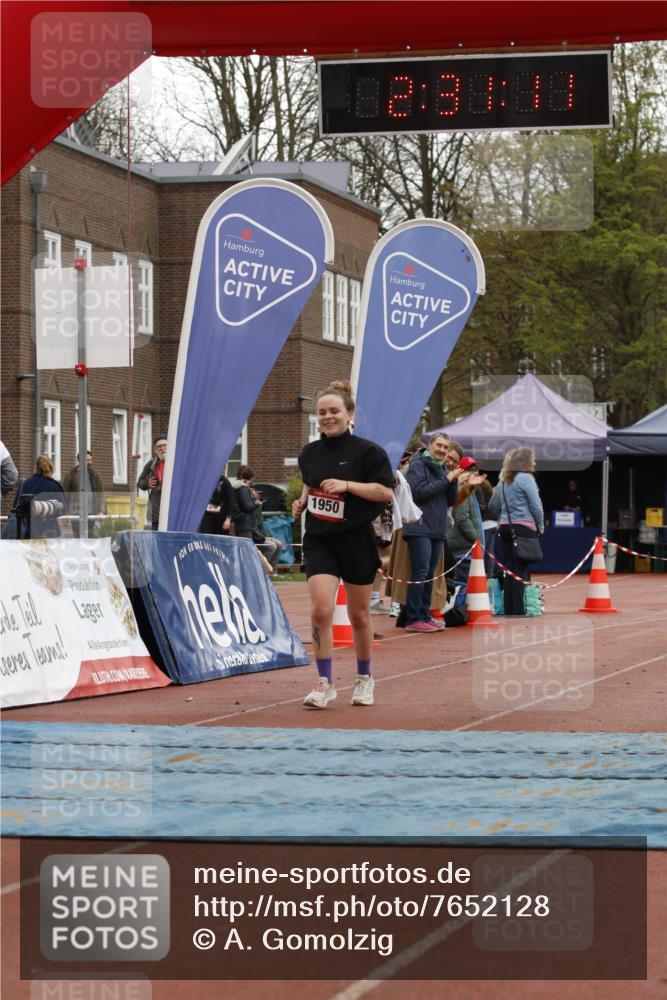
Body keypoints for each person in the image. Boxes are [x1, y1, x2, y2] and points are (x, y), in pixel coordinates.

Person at [292, 380, 393, 709]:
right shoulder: (310, 452)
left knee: (359, 614)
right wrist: (302, 501)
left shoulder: (369, 452)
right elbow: (310, 484)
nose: (327, 417)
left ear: (350, 415)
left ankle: (364, 678)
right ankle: (325, 683)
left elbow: (385, 493)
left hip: (356, 539)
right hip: (320, 539)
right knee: (321, 610)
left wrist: (346, 485)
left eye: (334, 411)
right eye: (322, 412)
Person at [402, 432, 461, 632]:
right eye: (439, 445)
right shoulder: (417, 464)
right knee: (420, 572)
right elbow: (419, 492)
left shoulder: (443, 468)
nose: (442, 450)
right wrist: (447, 479)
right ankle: (413, 618)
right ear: (429, 445)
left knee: (429, 574)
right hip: (419, 526)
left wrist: (453, 482)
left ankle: (425, 615)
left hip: (437, 528)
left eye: (446, 447)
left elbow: (450, 500)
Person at [488, 447, 545, 616]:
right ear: (525, 462)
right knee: (521, 570)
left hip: (505, 528)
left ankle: (509, 608)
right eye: (532, 459)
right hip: (523, 527)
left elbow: (493, 505)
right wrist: (540, 526)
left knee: (510, 569)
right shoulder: (526, 478)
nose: (534, 462)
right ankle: (519, 610)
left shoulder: (503, 481)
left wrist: (506, 514)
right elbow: (536, 505)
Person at [447, 457, 487, 605]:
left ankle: (460, 612)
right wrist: (476, 539)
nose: (475, 472)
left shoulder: (470, 491)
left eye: (476, 469)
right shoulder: (462, 491)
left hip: (466, 548)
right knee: (461, 584)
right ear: (462, 472)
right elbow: (462, 519)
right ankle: (457, 613)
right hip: (464, 549)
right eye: (471, 469)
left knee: (464, 584)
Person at [9, 455, 67, 538]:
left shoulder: (24, 483)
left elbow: (16, 506)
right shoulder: (54, 485)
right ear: (51, 470)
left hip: (27, 530)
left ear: (35, 468)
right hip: (48, 530)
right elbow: (63, 508)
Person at [62, 450, 105, 537]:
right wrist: (65, 512)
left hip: (91, 512)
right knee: (77, 535)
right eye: (87, 460)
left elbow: (100, 493)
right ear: (80, 461)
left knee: (90, 535)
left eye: (90, 460)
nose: (90, 462)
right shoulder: (70, 476)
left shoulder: (95, 475)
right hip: (76, 512)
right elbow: (65, 495)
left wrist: (101, 510)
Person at [137, 435, 167, 530]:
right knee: (157, 540)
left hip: (173, 511)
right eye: (159, 446)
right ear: (155, 449)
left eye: (165, 445)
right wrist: (147, 483)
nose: (162, 448)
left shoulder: (178, 462)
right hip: (156, 512)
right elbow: (140, 482)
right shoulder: (151, 464)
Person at [229, 465, 262, 539]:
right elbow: (247, 506)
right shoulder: (243, 489)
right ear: (250, 477)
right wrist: (256, 503)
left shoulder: (236, 486)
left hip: (239, 522)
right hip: (245, 524)